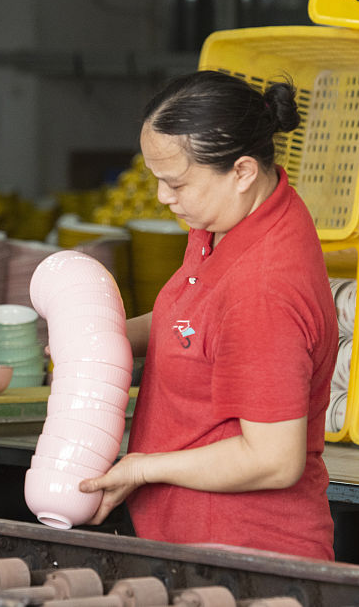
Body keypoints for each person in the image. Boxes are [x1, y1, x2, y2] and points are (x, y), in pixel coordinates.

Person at [79, 71, 338, 560]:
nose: (161, 197)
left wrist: (143, 468)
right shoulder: (229, 219)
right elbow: (193, 326)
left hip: (246, 554)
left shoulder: (264, 286)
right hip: (191, 544)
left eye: (175, 182)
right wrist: (98, 337)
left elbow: (273, 459)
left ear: (241, 172)